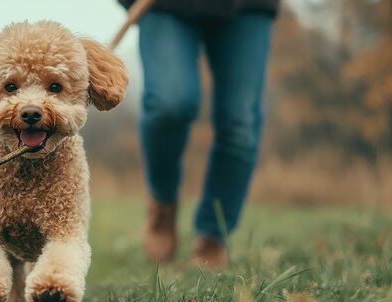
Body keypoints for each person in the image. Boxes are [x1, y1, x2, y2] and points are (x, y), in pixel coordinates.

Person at [118, 0, 280, 266]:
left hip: (247, 6)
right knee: (168, 104)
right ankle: (162, 205)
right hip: (166, 6)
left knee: (240, 122)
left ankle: (212, 235)